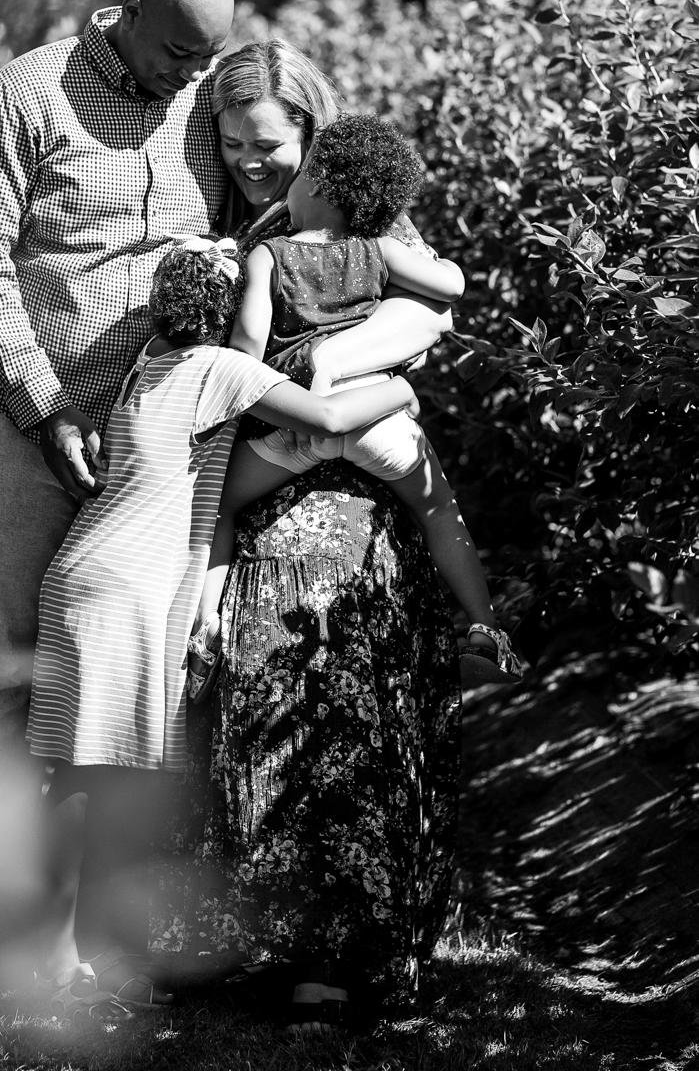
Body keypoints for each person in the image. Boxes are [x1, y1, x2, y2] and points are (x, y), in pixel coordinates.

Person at [0, 0, 234, 992]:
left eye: (206, 59)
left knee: (127, 664)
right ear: (127, 12)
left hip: (152, 435)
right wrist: (41, 400)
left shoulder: (206, 100)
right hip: (20, 419)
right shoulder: (28, 94)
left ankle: (107, 908)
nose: (186, 78)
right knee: (14, 661)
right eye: (174, 54)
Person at [25, 239, 420, 1018]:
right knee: (93, 780)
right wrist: (398, 387)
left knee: (88, 777)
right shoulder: (221, 371)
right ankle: (58, 959)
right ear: (234, 309)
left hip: (93, 573)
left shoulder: (152, 359)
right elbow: (332, 414)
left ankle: (80, 952)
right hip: (123, 588)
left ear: (155, 307)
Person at [162, 40, 463, 1029]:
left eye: (268, 145)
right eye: (233, 143)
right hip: (265, 488)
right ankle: (298, 949)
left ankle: (386, 948)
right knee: (270, 713)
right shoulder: (227, 227)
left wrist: (333, 377)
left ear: (311, 134)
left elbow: (428, 316)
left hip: (357, 492)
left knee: (367, 715)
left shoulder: (364, 213)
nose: (252, 161)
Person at [190, 113, 527, 699]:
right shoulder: (379, 248)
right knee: (440, 510)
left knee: (214, 507)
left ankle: (208, 628)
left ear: (315, 183)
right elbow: (449, 290)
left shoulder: (268, 255)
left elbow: (246, 346)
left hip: (298, 422)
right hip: (379, 419)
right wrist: (442, 274)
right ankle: (484, 628)